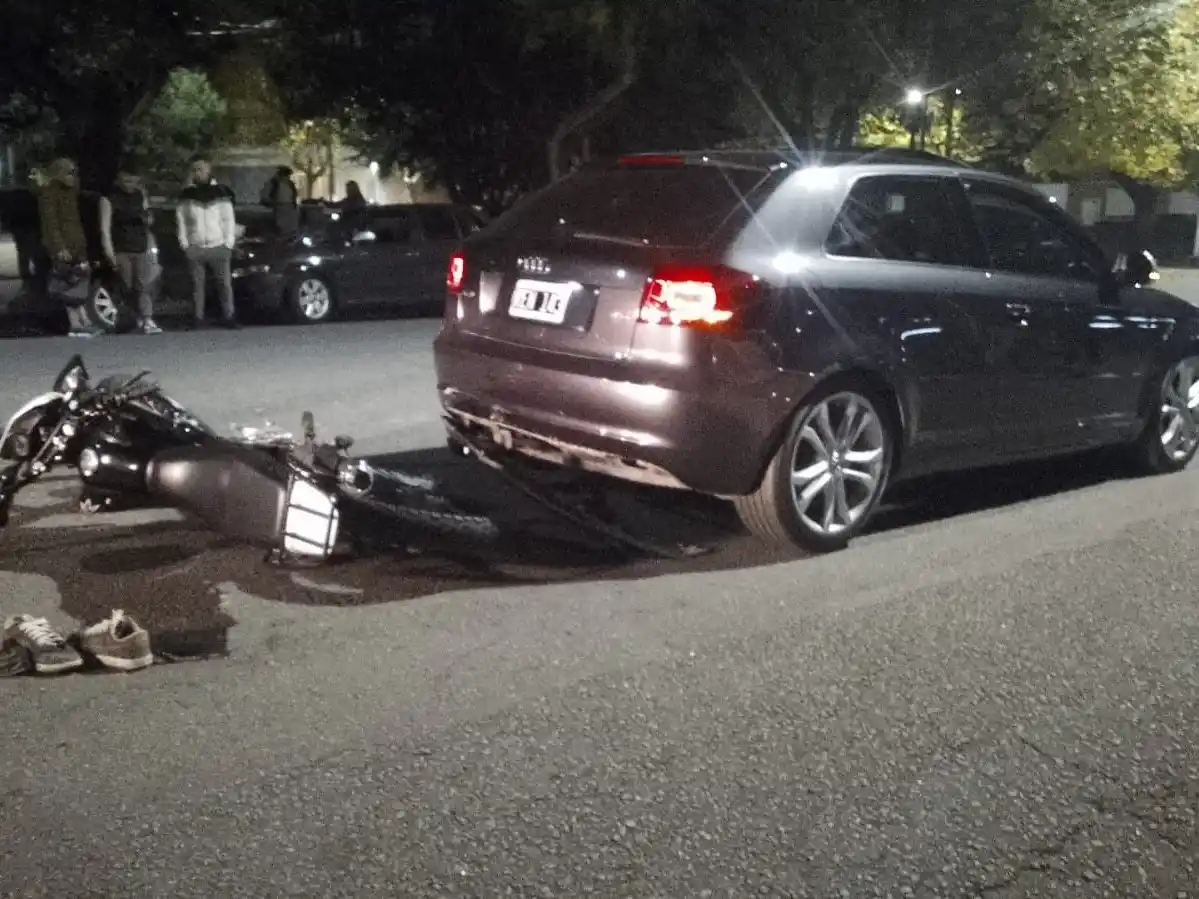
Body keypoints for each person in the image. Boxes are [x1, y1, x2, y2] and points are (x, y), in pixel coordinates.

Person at [38, 157, 101, 338]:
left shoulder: (72, 191)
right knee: (67, 282)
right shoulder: (48, 194)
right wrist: (59, 248)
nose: (73, 176)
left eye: (74, 172)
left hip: (77, 242)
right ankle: (75, 323)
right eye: (68, 172)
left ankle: (84, 320)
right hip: (62, 245)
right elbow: (50, 224)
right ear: (58, 174)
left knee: (81, 278)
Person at [176, 155, 239, 329]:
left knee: (224, 284)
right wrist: (185, 243)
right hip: (195, 247)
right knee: (197, 286)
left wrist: (228, 243)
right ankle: (198, 318)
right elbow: (181, 220)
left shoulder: (221, 192)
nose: (198, 172)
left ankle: (229, 316)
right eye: (194, 169)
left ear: (208, 170)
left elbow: (228, 219)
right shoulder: (187, 195)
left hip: (218, 245)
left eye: (201, 169)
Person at [100, 163, 161, 334]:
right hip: (121, 248)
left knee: (142, 285)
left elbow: (149, 221)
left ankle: (147, 318)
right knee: (126, 285)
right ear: (118, 179)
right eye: (126, 180)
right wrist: (109, 252)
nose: (130, 183)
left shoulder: (140, 196)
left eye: (133, 180)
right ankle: (131, 317)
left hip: (140, 246)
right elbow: (105, 228)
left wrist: (148, 213)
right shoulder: (109, 199)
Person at [260, 166, 299, 236]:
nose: (287, 177)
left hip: (289, 207)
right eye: (285, 174)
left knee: (291, 227)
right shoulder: (274, 183)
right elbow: (266, 194)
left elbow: (294, 194)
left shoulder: (290, 184)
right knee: (281, 227)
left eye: (288, 175)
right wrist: (271, 203)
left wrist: (294, 204)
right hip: (279, 207)